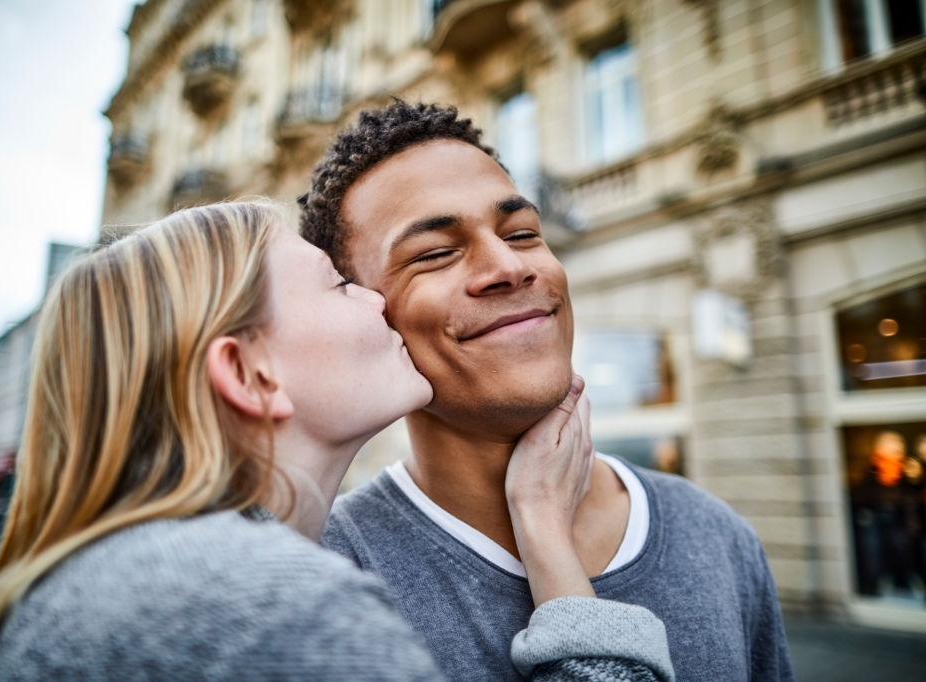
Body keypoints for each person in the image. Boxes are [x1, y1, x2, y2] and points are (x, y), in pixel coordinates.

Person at [0, 201, 674, 682]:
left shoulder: (128, 575)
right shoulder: (265, 610)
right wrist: (548, 536)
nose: (378, 297)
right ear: (251, 373)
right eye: (337, 284)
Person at [299, 101, 795, 681]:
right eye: (435, 253)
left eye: (523, 233)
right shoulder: (323, 574)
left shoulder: (713, 531)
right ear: (364, 317)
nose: (508, 265)